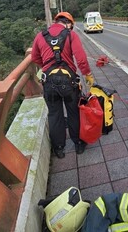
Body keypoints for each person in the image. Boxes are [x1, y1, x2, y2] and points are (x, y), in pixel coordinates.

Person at [31, 12, 95, 159]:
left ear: (56, 21)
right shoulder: (70, 35)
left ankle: (59, 148)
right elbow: (81, 59)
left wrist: (47, 67)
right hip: (69, 82)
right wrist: (87, 75)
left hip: (49, 82)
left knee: (55, 115)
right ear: (69, 23)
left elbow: (34, 57)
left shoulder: (41, 35)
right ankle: (78, 144)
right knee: (74, 113)